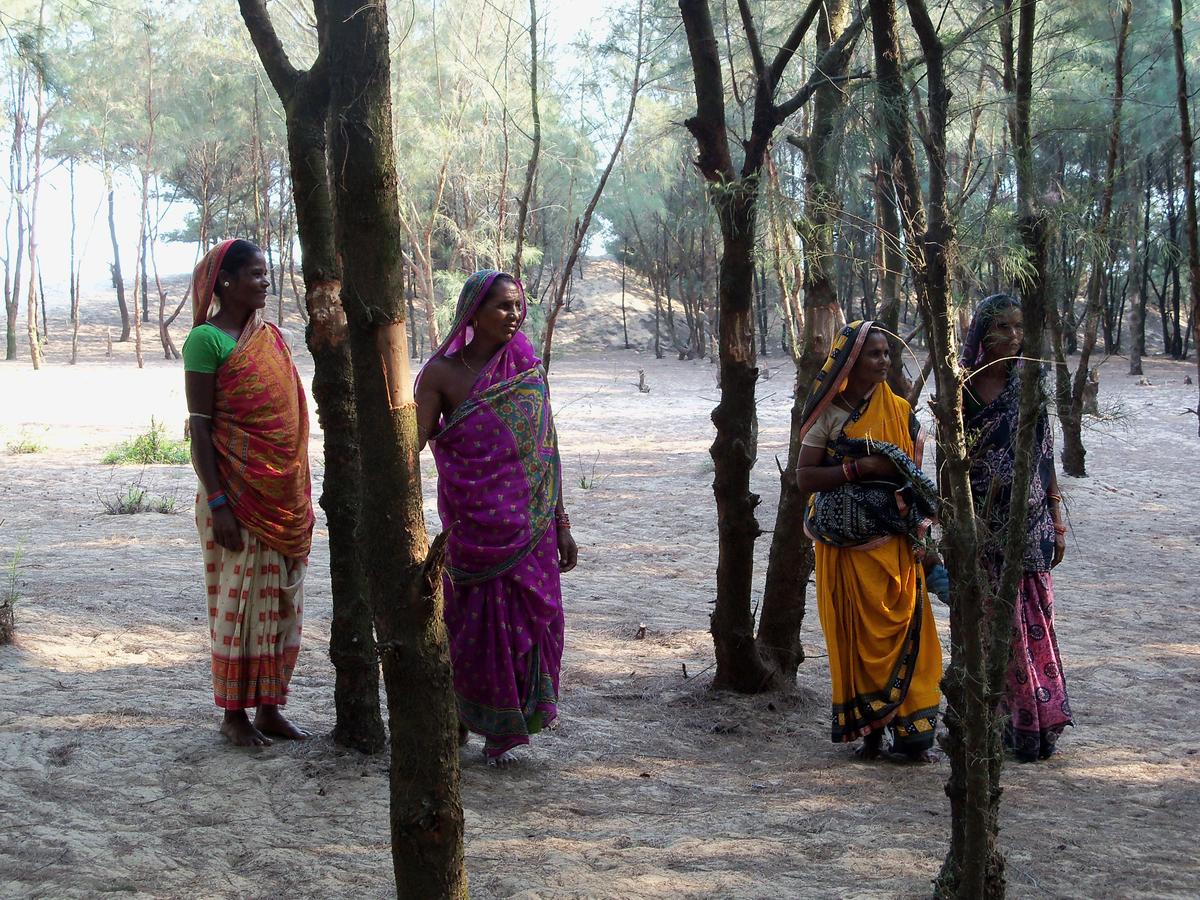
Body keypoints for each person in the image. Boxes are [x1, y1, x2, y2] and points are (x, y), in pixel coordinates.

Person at [414, 270, 577, 768]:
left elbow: (546, 449)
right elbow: (412, 444)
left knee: (529, 622)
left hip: (532, 528)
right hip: (471, 524)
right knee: (469, 623)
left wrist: (562, 523)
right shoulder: (441, 374)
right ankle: (462, 718)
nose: (514, 315)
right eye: (503, 306)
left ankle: (513, 722)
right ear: (473, 312)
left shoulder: (526, 366)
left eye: (518, 306)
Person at [182, 239, 314, 747]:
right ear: (226, 283)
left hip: (281, 495)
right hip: (233, 498)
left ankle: (269, 708)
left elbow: (289, 422)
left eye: (267, 273)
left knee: (281, 604)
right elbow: (200, 428)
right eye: (256, 274)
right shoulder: (206, 341)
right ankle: (233, 715)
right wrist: (219, 504)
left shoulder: (272, 338)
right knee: (239, 604)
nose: (265, 282)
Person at [796, 320, 943, 762]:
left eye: (886, 354)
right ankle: (871, 731)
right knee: (857, 636)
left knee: (903, 627)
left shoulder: (899, 410)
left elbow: (915, 480)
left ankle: (912, 730)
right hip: (845, 552)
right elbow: (805, 477)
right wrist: (860, 470)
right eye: (874, 354)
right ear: (850, 361)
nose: (883, 362)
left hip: (896, 548)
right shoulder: (829, 414)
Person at [962, 293, 1072, 761]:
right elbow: (956, 464)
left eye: (1018, 327)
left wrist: (1057, 519)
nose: (1012, 336)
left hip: (1030, 525)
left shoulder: (1030, 383)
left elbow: (1045, 454)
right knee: (994, 625)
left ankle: (1040, 725)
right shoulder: (962, 389)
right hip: (984, 526)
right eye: (1002, 327)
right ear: (981, 333)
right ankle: (1005, 722)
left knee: (1034, 620)